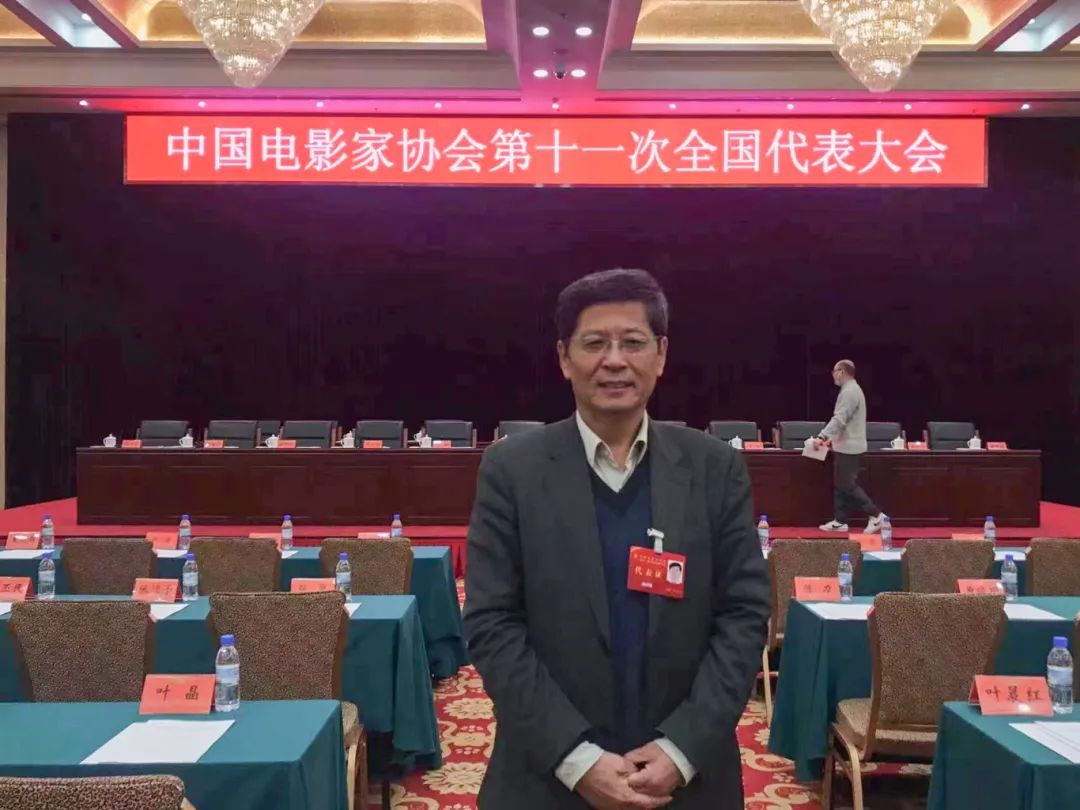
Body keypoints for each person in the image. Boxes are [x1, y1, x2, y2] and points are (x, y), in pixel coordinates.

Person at [464, 268, 770, 810]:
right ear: (564, 358)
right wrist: (575, 760)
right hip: (546, 778)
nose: (614, 361)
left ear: (661, 354)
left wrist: (682, 750)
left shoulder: (714, 469)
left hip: (689, 782)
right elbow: (492, 624)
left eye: (632, 342)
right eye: (594, 344)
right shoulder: (512, 470)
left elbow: (744, 616)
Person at [814, 359, 887, 534]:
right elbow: (845, 421)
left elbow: (840, 418)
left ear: (841, 372)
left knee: (847, 485)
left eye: (834, 371)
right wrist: (832, 439)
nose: (833, 375)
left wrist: (822, 436)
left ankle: (876, 515)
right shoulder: (850, 390)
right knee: (840, 484)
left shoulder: (850, 391)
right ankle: (840, 521)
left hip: (850, 447)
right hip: (844, 444)